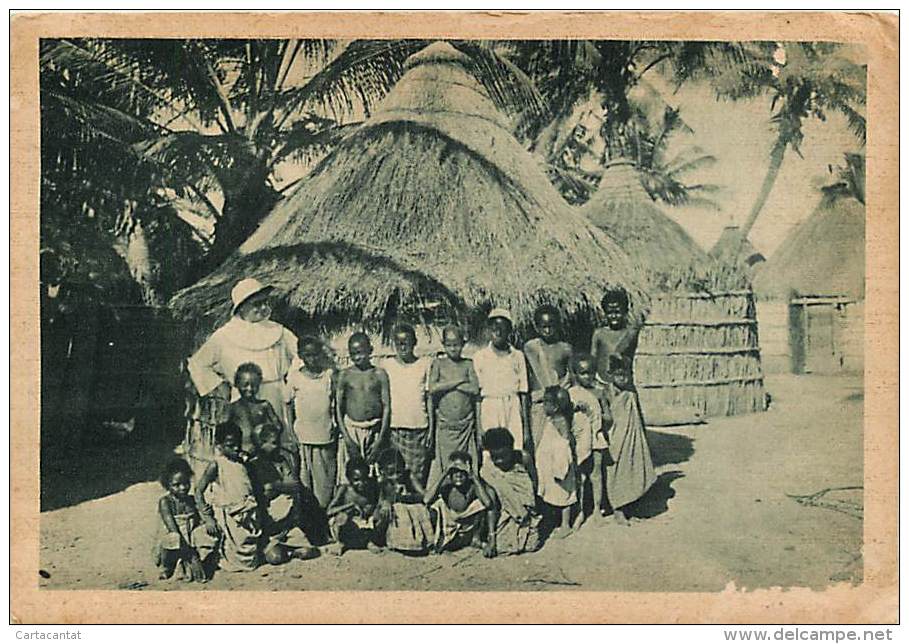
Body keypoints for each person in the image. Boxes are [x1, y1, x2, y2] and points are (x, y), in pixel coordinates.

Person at [186, 278, 298, 462]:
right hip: (242, 401)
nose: (262, 308)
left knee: (278, 444)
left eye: (265, 302)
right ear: (242, 308)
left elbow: (299, 355)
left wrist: (291, 382)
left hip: (275, 396)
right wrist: (221, 386)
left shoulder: (279, 330)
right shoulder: (224, 335)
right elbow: (198, 363)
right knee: (248, 446)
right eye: (256, 304)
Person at [592, 289, 656, 524]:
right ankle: (614, 503)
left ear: (625, 311)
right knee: (612, 449)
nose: (614, 315)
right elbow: (593, 360)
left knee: (630, 448)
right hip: (606, 394)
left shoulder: (631, 333)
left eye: (618, 311)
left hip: (626, 393)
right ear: (604, 313)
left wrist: (636, 326)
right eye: (610, 312)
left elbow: (623, 352)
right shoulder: (599, 334)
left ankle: (627, 501)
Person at [194, 421, 262, 572]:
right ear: (219, 445)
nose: (236, 448)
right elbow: (198, 491)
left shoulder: (244, 462)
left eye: (238, 443)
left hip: (247, 514)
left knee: (250, 556)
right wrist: (207, 517)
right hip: (228, 516)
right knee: (229, 550)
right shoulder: (216, 465)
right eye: (230, 445)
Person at [248, 423, 320, 565]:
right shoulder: (253, 465)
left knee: (309, 552)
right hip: (270, 525)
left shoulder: (281, 461)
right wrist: (279, 488)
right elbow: (262, 494)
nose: (278, 446)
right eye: (274, 443)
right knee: (275, 558)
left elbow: (295, 485)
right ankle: (278, 548)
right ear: (261, 444)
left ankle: (291, 549)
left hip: (288, 524)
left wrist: (275, 486)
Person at [285, 336, 337, 510]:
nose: (312, 359)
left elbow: (335, 403)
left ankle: (325, 519)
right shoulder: (295, 377)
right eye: (308, 355)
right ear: (301, 356)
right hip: (303, 439)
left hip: (325, 438)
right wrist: (291, 432)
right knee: (305, 486)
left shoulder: (328, 375)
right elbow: (287, 405)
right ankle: (310, 524)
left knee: (325, 487)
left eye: (315, 354)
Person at [427, 325, 480, 483]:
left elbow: (474, 388)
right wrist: (458, 381)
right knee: (445, 466)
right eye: (449, 345)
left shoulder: (468, 364)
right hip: (445, 427)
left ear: (463, 344)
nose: (453, 348)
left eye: (456, 344)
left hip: (465, 427)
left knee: (468, 465)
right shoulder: (438, 364)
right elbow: (432, 388)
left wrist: (446, 384)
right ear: (443, 344)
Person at [380, 323, 432, 487]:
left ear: (414, 342)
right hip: (396, 429)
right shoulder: (387, 365)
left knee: (417, 476)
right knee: (397, 474)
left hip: (419, 428)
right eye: (399, 342)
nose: (403, 346)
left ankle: (416, 508)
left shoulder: (424, 364)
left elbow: (429, 397)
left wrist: (431, 428)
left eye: (406, 342)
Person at [472, 309, 531, 452]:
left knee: (515, 448)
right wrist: (479, 427)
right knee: (490, 451)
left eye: (502, 329)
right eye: (494, 329)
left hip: (512, 407)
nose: (498, 333)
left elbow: (523, 392)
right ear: (489, 330)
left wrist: (526, 427)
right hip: (490, 407)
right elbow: (477, 395)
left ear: (509, 331)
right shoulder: (480, 356)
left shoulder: (517, 356)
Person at [480, 428, 543, 555]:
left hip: (527, 511)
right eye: (495, 457)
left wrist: (530, 506)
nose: (499, 461)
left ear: (511, 449)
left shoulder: (524, 458)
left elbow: (533, 481)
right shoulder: (489, 469)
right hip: (505, 511)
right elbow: (491, 505)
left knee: (532, 545)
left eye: (503, 456)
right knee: (503, 546)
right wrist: (492, 537)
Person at [335, 332, 390, 477]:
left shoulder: (379, 374)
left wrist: (380, 439)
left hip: (375, 430)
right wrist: (347, 438)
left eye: (360, 353)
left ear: (370, 350)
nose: (357, 357)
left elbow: (386, 407)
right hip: (352, 430)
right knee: (352, 474)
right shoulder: (345, 375)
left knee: (374, 473)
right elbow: (338, 409)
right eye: (353, 354)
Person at [424, 451, 497, 557]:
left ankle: (477, 538)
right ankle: (439, 541)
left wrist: (473, 476)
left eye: (462, 471)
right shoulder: (447, 486)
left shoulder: (473, 485)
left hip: (468, 527)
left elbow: (488, 503)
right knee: (436, 504)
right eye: (455, 471)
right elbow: (426, 500)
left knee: (484, 500)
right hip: (450, 527)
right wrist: (444, 473)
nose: (458, 475)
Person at [567, 353, 611, 523]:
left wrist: (595, 414)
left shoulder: (599, 393)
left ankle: (597, 510)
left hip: (596, 437)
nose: (588, 376)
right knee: (580, 476)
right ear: (575, 374)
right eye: (583, 373)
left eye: (591, 372)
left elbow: (608, 417)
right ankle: (580, 512)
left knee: (596, 474)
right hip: (579, 438)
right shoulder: (570, 394)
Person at [153, 459, 213, 582]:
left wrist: (208, 518)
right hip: (175, 538)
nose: (183, 488)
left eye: (186, 483)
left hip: (190, 536)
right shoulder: (165, 502)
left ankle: (198, 563)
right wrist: (192, 557)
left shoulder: (191, 500)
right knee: (173, 539)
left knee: (208, 534)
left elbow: (202, 516)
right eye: (176, 485)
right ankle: (167, 566)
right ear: (167, 485)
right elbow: (172, 527)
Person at [523, 305, 573, 447]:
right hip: (539, 404)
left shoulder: (565, 348)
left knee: (562, 447)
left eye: (551, 326)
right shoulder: (531, 348)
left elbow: (571, 377)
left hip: (560, 405)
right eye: (543, 327)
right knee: (541, 448)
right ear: (536, 327)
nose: (547, 330)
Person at [373, 448, 434, 555]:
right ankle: (386, 541)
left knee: (420, 508)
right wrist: (388, 502)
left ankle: (419, 542)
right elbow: (380, 502)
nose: (396, 476)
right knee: (390, 510)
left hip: (409, 511)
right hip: (390, 516)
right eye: (391, 473)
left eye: (399, 472)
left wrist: (406, 497)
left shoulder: (409, 477)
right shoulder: (382, 482)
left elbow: (424, 496)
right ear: (382, 471)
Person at [535, 386, 578, 539]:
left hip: (558, 464)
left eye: (546, 403)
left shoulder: (560, 421)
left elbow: (563, 445)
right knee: (552, 494)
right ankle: (555, 521)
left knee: (564, 495)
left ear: (555, 407)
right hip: (549, 463)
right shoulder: (551, 419)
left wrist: (560, 467)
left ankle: (566, 525)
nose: (543, 406)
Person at [325, 457, 381, 556]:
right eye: (356, 480)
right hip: (346, 525)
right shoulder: (344, 489)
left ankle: (369, 543)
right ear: (348, 478)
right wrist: (350, 506)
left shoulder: (371, 488)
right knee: (342, 517)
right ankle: (341, 543)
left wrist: (369, 509)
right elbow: (329, 511)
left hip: (363, 523)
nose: (361, 483)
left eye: (364, 479)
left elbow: (375, 504)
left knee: (377, 516)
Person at [229, 362, 286, 453]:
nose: (250, 389)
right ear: (237, 384)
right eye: (245, 384)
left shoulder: (264, 405)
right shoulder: (233, 407)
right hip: (241, 450)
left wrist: (264, 431)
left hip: (262, 451)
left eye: (254, 385)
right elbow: (223, 430)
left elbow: (278, 427)